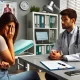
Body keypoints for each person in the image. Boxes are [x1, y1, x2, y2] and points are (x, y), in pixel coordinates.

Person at [0, 12, 40, 80]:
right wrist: (10, 40)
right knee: (33, 74)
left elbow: (9, 63)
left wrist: (3, 63)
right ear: (2, 25)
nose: (11, 31)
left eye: (13, 27)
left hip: (3, 73)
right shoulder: (0, 39)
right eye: (9, 26)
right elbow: (12, 62)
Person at [45, 8, 80, 80]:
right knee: (49, 75)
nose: (62, 22)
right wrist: (53, 53)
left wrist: (61, 57)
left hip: (78, 67)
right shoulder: (62, 35)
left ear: (73, 20)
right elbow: (55, 48)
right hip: (66, 65)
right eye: (62, 19)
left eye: (65, 19)